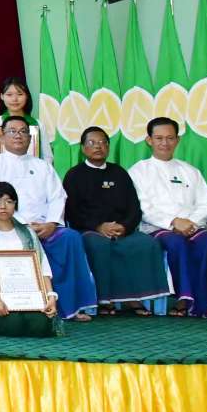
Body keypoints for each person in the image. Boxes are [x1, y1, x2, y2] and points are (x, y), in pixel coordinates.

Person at [0, 117, 97, 321]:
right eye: (12, 131)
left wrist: (51, 223)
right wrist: (21, 226)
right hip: (9, 227)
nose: (18, 136)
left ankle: (69, 308)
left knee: (70, 238)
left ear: (30, 138)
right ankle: (21, 305)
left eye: (23, 132)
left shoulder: (42, 166)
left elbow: (58, 197)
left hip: (45, 227)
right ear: (2, 136)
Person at [130, 117, 207, 318]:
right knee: (176, 243)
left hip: (192, 226)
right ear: (149, 140)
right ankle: (185, 300)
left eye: (170, 138)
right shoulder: (138, 171)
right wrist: (173, 222)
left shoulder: (190, 171)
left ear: (177, 140)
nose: (165, 143)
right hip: (157, 228)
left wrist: (190, 223)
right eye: (159, 138)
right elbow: (142, 207)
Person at [63, 126, 171, 315]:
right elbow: (72, 211)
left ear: (108, 147)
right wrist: (98, 226)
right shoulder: (74, 175)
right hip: (90, 229)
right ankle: (104, 300)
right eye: (92, 143)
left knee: (147, 244)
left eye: (103, 142)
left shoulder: (119, 173)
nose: (98, 146)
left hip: (122, 228)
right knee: (100, 245)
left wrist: (124, 226)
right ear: (83, 148)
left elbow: (134, 207)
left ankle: (135, 298)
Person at [0, 182, 62, 337]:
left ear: (15, 204)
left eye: (8, 201)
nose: (3, 206)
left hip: (30, 294)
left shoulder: (28, 232)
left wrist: (50, 296)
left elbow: (42, 265)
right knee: (12, 325)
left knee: (40, 326)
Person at [0, 77, 54, 163]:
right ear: (2, 96)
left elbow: (48, 156)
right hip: (3, 171)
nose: (14, 99)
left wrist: (41, 169)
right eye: (9, 95)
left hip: (32, 171)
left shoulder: (38, 124)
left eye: (20, 94)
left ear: (27, 96)